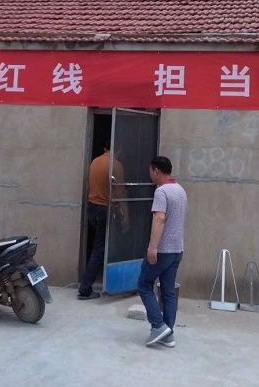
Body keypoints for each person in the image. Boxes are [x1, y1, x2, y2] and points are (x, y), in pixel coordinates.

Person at [138, 156, 187, 347]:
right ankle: (168, 335)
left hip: (163, 250)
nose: (150, 175)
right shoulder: (180, 190)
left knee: (144, 284)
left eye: (151, 171)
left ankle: (158, 325)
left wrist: (153, 247)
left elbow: (159, 219)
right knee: (168, 292)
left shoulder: (161, 191)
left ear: (156, 171)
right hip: (177, 249)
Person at [77, 140, 128, 300]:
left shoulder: (94, 162)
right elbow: (120, 194)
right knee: (100, 249)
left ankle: (103, 281)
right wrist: (126, 217)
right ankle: (85, 288)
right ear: (119, 150)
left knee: (100, 247)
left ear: (105, 148)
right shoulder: (116, 165)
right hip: (106, 209)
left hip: (92, 207)